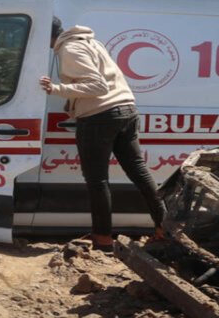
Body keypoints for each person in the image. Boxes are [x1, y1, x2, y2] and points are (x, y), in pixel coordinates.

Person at [39, 17, 166, 251]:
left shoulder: (70, 48)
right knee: (139, 171)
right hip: (126, 109)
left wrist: (56, 89)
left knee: (97, 180)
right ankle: (164, 228)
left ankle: (103, 239)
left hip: (99, 116)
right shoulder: (90, 42)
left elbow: (98, 87)